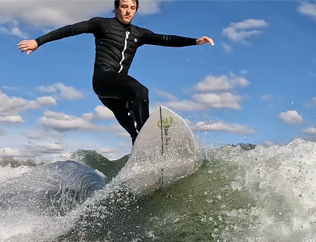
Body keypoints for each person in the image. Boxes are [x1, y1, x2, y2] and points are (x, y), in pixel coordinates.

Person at [17, 0, 214, 144]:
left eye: (132, 7)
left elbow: (166, 39)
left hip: (118, 89)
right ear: (116, 7)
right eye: (124, 6)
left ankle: (139, 146)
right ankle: (148, 137)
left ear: (136, 10)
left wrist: (195, 41)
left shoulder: (140, 33)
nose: (128, 11)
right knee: (141, 92)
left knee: (129, 123)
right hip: (103, 80)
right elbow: (70, 29)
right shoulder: (101, 24)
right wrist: (38, 42)